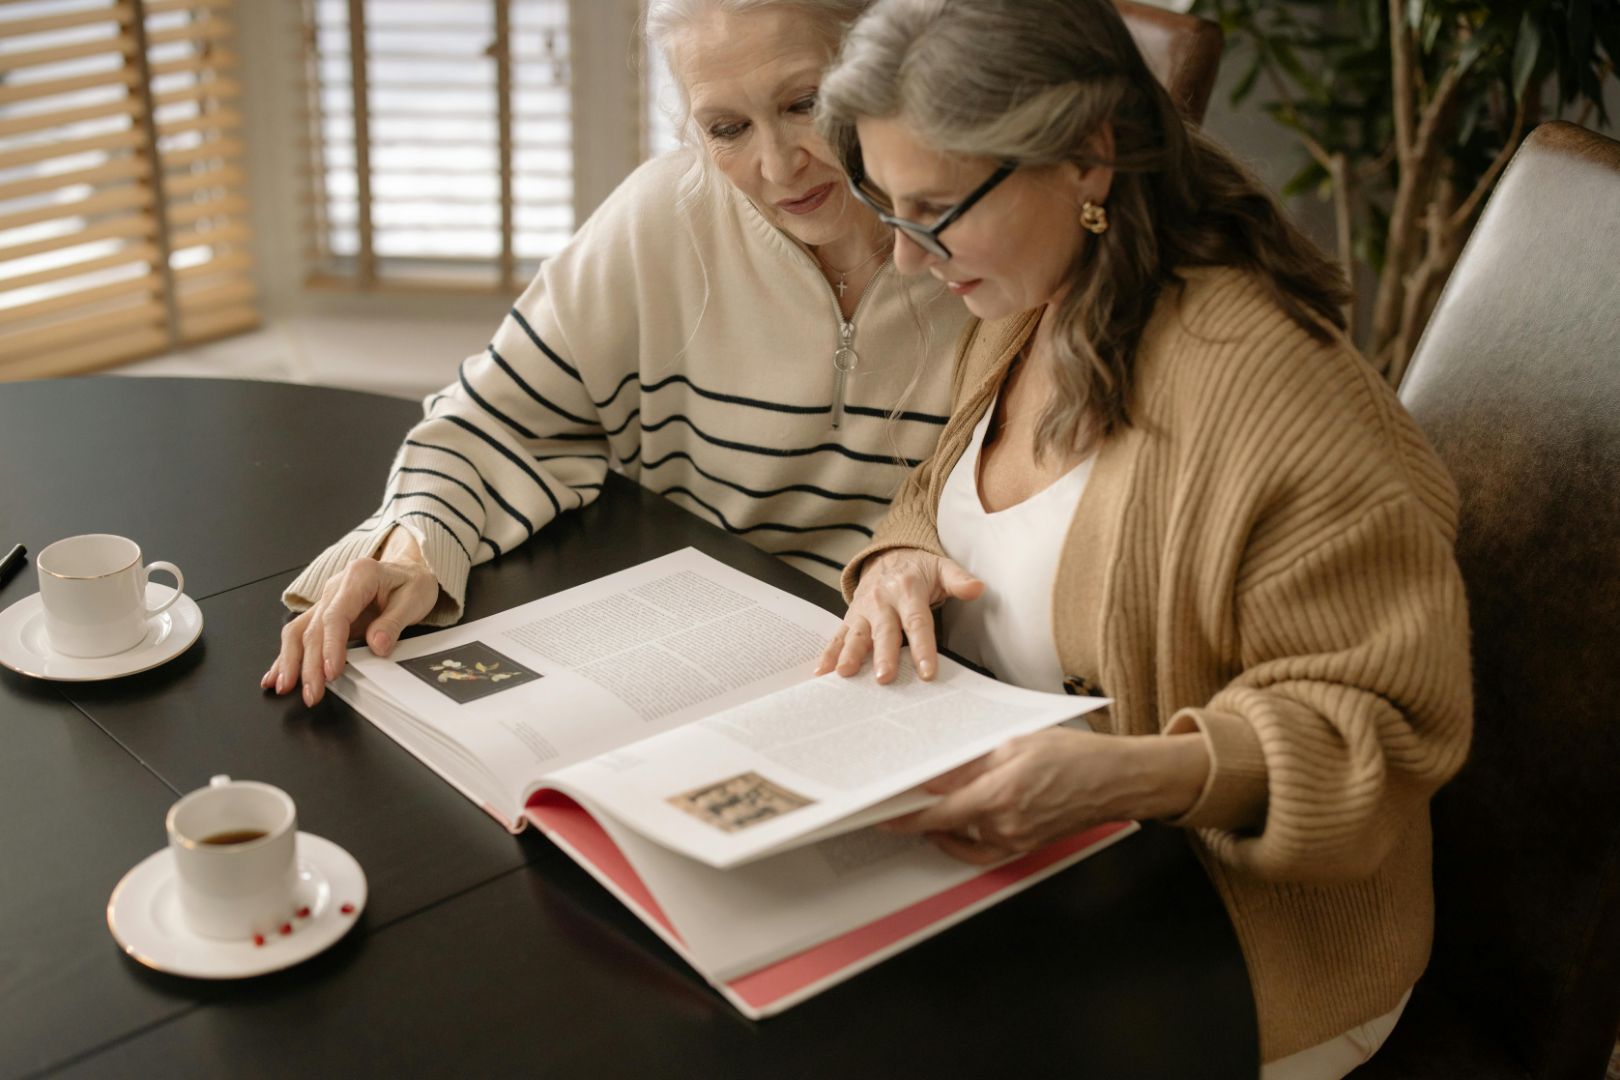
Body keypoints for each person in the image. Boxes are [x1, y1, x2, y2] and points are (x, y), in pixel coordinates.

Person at [812, 1, 1473, 1075]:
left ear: (1089, 155)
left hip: (1239, 942)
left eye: (933, 212)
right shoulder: (1030, 307)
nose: (901, 257)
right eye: (887, 209)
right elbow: (950, 491)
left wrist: (1122, 777)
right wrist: (897, 558)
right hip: (1057, 875)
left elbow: (1379, 738)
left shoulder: (1277, 395)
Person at [263, 0, 970, 707]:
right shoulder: (662, 217)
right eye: (726, 127)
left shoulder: (989, 247)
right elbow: (489, 422)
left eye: (805, 104)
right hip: (679, 659)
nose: (778, 166)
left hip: (911, 673)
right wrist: (414, 549)